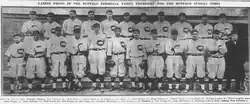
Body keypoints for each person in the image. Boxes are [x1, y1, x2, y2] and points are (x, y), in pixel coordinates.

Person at [47, 26, 68, 92]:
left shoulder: (64, 38)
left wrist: (67, 56)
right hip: (54, 55)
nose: (58, 32)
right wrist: (48, 58)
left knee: (63, 70)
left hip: (62, 54)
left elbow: (67, 48)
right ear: (55, 31)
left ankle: (64, 87)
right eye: (57, 30)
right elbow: (48, 49)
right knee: (54, 71)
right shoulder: (51, 39)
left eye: (59, 30)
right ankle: (54, 87)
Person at [88, 23, 107, 93]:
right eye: (95, 27)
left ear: (99, 28)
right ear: (93, 28)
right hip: (92, 51)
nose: (96, 28)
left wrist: (105, 53)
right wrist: (89, 53)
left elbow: (106, 45)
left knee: (101, 69)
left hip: (101, 51)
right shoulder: (90, 35)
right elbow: (88, 44)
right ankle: (94, 85)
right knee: (93, 70)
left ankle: (102, 86)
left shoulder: (103, 35)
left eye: (97, 27)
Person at [107, 26, 127, 91]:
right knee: (113, 70)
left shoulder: (123, 39)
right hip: (114, 55)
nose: (117, 32)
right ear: (114, 32)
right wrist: (109, 58)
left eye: (118, 31)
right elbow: (109, 49)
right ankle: (112, 86)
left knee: (121, 70)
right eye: (116, 31)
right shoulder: (111, 39)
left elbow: (126, 48)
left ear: (120, 32)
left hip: (121, 55)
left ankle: (121, 85)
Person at [144, 29, 165, 94]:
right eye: (153, 33)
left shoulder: (160, 41)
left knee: (159, 72)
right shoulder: (148, 41)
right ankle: (149, 88)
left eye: (155, 33)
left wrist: (157, 50)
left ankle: (160, 87)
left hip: (159, 57)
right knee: (150, 72)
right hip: (151, 57)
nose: (155, 35)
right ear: (151, 34)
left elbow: (162, 50)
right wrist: (153, 49)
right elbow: (147, 49)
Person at [68, 25, 88, 91]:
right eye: (76, 32)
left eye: (78, 31)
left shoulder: (84, 39)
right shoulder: (71, 39)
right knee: (75, 71)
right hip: (74, 56)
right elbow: (69, 49)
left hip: (82, 56)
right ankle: (79, 86)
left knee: (81, 71)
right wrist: (74, 50)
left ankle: (74, 84)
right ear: (74, 32)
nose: (77, 33)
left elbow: (85, 48)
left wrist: (78, 49)